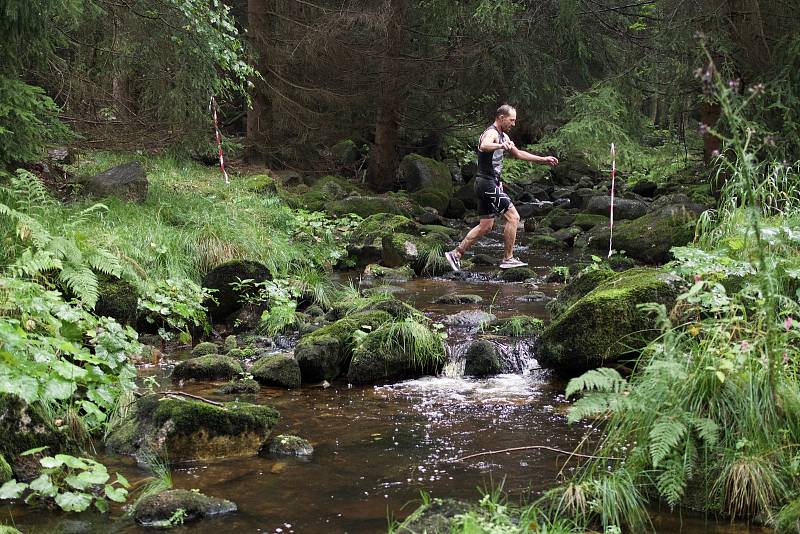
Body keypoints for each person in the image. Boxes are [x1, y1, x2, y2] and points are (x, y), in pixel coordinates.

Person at [445, 105, 559, 271]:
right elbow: (484, 145)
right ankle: (508, 258)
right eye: (511, 120)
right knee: (514, 218)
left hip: (485, 184)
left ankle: (455, 254)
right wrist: (500, 146)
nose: (513, 123)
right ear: (501, 117)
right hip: (486, 184)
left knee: (485, 225)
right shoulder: (491, 132)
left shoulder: (503, 136)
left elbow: (519, 154)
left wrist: (544, 159)